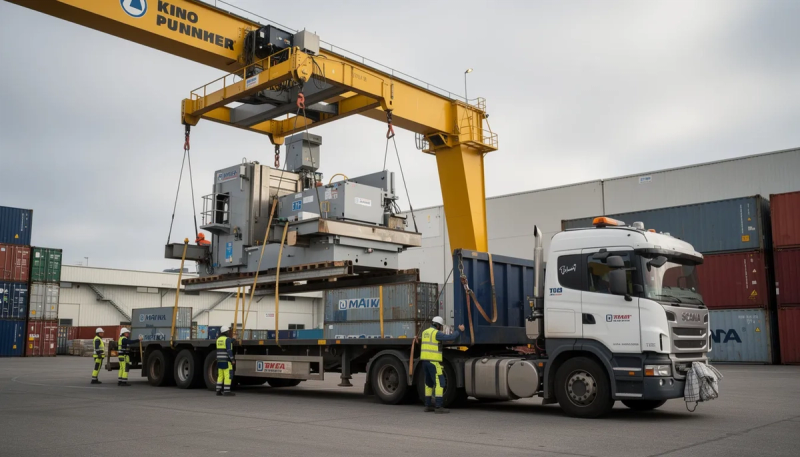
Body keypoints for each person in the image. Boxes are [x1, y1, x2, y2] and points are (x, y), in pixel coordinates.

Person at [419, 317, 464, 414]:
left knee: (429, 383)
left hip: (425, 361)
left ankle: (427, 405)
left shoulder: (425, 332)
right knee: (440, 383)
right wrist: (459, 331)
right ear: (438, 325)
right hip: (433, 362)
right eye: (441, 326)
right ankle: (438, 406)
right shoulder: (436, 333)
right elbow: (450, 338)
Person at [215, 325, 235, 396]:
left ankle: (218, 391)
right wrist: (232, 359)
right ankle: (227, 391)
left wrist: (233, 339)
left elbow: (226, 343)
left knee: (220, 376)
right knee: (228, 376)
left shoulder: (218, 340)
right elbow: (229, 350)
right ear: (226, 332)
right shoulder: (227, 339)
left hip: (219, 361)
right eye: (228, 331)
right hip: (226, 361)